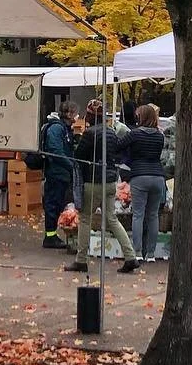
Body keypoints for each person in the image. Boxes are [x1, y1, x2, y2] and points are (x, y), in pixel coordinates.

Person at [67, 99, 138, 274]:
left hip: (93, 181)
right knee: (112, 219)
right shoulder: (112, 133)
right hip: (111, 181)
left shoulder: (90, 133)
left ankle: (81, 260)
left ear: (90, 115)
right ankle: (130, 256)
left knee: (85, 218)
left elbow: (79, 155)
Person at [122, 103, 167, 262]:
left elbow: (120, 146)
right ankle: (151, 254)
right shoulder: (160, 136)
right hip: (158, 176)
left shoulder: (134, 134)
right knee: (153, 215)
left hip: (139, 175)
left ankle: (138, 252)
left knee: (138, 215)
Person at [37, 101, 77, 249]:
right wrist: (71, 166)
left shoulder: (63, 128)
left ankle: (52, 235)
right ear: (69, 113)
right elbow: (56, 151)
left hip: (60, 173)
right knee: (53, 204)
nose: (77, 116)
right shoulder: (56, 128)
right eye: (75, 113)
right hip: (56, 173)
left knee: (57, 204)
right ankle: (50, 237)